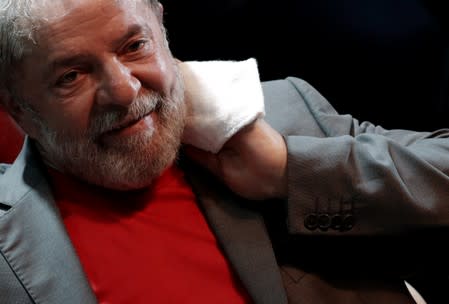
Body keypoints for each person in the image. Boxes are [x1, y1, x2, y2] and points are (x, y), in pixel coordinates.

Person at [0, 0, 448, 303]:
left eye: (134, 46)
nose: (123, 90)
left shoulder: (278, 114)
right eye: (71, 76)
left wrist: (290, 171)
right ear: (17, 108)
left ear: (162, 29)